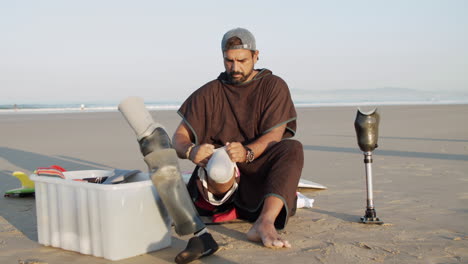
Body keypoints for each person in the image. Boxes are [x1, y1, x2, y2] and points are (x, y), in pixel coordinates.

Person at [173, 28, 304, 249]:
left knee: (292, 148)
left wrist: (247, 152)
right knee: (218, 167)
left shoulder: (273, 86)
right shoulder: (209, 92)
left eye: (242, 60)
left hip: (257, 167)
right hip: (219, 181)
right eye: (229, 60)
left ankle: (265, 222)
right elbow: (179, 136)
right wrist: (190, 151)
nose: (235, 67)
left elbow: (274, 135)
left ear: (256, 55)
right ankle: (227, 205)